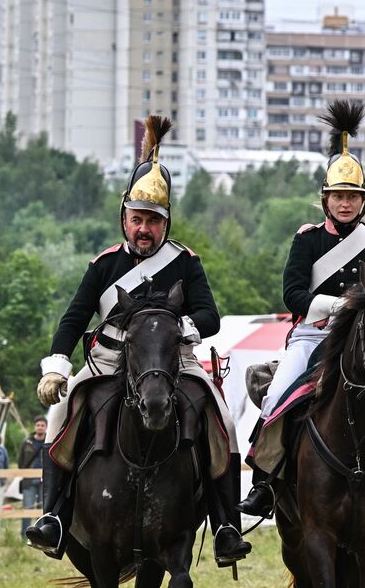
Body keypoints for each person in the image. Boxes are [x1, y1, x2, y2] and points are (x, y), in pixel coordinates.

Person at [26, 116, 251, 565]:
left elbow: (210, 315)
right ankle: (53, 516)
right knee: (58, 415)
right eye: (136, 219)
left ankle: (226, 525)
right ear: (124, 219)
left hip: (172, 359)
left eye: (152, 220)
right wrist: (57, 366)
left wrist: (181, 329)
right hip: (110, 358)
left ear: (165, 223)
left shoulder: (185, 262)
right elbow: (73, 319)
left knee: (223, 419)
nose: (143, 229)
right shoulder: (104, 265)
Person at [239, 100, 365, 528]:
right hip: (313, 336)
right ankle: (264, 483)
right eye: (338, 196)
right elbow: (293, 294)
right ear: (325, 200)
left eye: (352, 197)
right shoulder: (307, 240)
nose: (345, 204)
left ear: (363, 201)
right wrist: (340, 306)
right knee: (277, 396)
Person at [16, 417, 45, 534]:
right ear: (35, 427)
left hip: (44, 480)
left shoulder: (50, 441)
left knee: (42, 510)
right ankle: (25, 535)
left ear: (46, 427)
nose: (40, 427)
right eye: (38, 425)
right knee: (27, 508)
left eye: (42, 425)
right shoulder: (27, 442)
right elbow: (20, 462)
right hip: (29, 480)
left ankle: (40, 534)